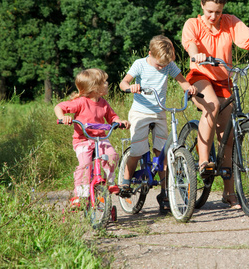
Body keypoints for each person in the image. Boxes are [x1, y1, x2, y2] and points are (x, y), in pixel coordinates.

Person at [182, 0, 249, 209]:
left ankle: (228, 193)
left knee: (227, 138)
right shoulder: (193, 24)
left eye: (217, 12)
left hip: (224, 80)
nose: (213, 16)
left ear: (223, 9)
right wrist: (196, 55)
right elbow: (191, 44)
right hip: (200, 76)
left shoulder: (230, 22)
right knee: (212, 105)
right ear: (202, 7)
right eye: (209, 11)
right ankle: (203, 161)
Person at [119, 35, 197, 212]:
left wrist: (189, 88)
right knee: (137, 150)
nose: (162, 67)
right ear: (150, 54)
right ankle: (125, 180)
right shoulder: (140, 64)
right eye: (159, 65)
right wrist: (130, 87)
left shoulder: (169, 64)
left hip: (160, 112)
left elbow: (182, 81)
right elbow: (123, 82)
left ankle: (165, 193)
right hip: (140, 112)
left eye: (164, 65)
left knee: (162, 153)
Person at [54, 68, 130, 209]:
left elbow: (112, 117)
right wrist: (62, 117)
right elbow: (59, 107)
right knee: (85, 164)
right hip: (83, 140)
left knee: (112, 155)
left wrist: (119, 122)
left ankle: (109, 183)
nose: (107, 84)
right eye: (104, 82)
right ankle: (80, 195)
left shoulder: (103, 103)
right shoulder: (81, 102)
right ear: (94, 88)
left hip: (101, 139)